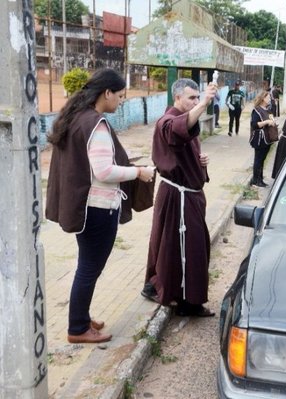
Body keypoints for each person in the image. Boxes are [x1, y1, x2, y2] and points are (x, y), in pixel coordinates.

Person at [45, 68, 155, 344]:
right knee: (89, 268)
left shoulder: (76, 118)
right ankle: (78, 328)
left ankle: (80, 317)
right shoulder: (97, 124)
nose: (120, 100)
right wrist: (138, 172)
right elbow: (104, 171)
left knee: (87, 265)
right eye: (119, 95)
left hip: (85, 207)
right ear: (106, 93)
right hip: (98, 209)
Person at [141, 78, 217, 317]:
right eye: (191, 98)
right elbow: (176, 130)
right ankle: (188, 302)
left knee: (169, 246)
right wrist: (204, 102)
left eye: (197, 97)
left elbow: (184, 149)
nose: (195, 101)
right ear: (177, 98)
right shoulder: (168, 121)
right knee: (188, 248)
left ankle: (156, 286)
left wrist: (200, 162)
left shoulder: (185, 119)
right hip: (178, 197)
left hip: (185, 195)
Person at [249, 90, 276, 187]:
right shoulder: (256, 110)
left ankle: (260, 179)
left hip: (267, 138)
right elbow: (254, 124)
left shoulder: (268, 110)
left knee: (263, 159)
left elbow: (271, 119)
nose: (269, 99)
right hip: (259, 139)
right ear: (263, 98)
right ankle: (256, 180)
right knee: (258, 159)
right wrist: (266, 122)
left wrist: (272, 121)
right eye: (268, 97)